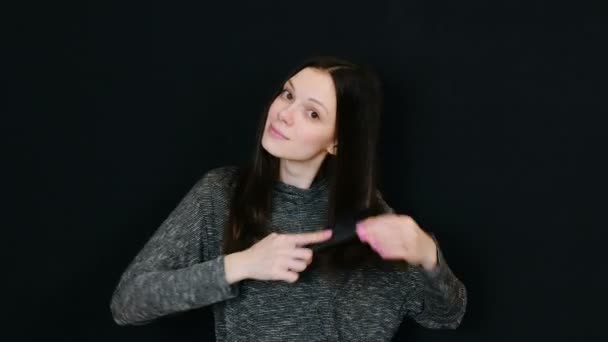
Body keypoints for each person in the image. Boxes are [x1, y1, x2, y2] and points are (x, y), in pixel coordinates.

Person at [110, 55, 467, 341]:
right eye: (288, 94)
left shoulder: (370, 224)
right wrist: (243, 265)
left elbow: (446, 315)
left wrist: (428, 255)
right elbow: (128, 303)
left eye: (312, 113)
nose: (284, 114)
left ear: (337, 142)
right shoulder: (221, 194)